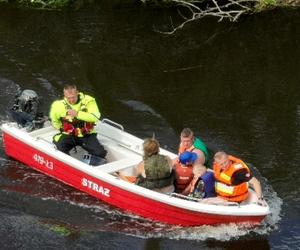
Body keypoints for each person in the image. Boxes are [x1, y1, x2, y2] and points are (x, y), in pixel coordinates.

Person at [49, 84, 107, 165]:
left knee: (100, 153)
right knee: (59, 148)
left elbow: (95, 117)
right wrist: (61, 128)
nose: (71, 100)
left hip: (86, 134)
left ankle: (87, 162)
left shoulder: (88, 101)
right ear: (65, 95)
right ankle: (69, 165)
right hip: (69, 134)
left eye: (73, 97)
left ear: (77, 93)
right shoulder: (58, 105)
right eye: (69, 98)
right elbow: (54, 119)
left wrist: (77, 114)